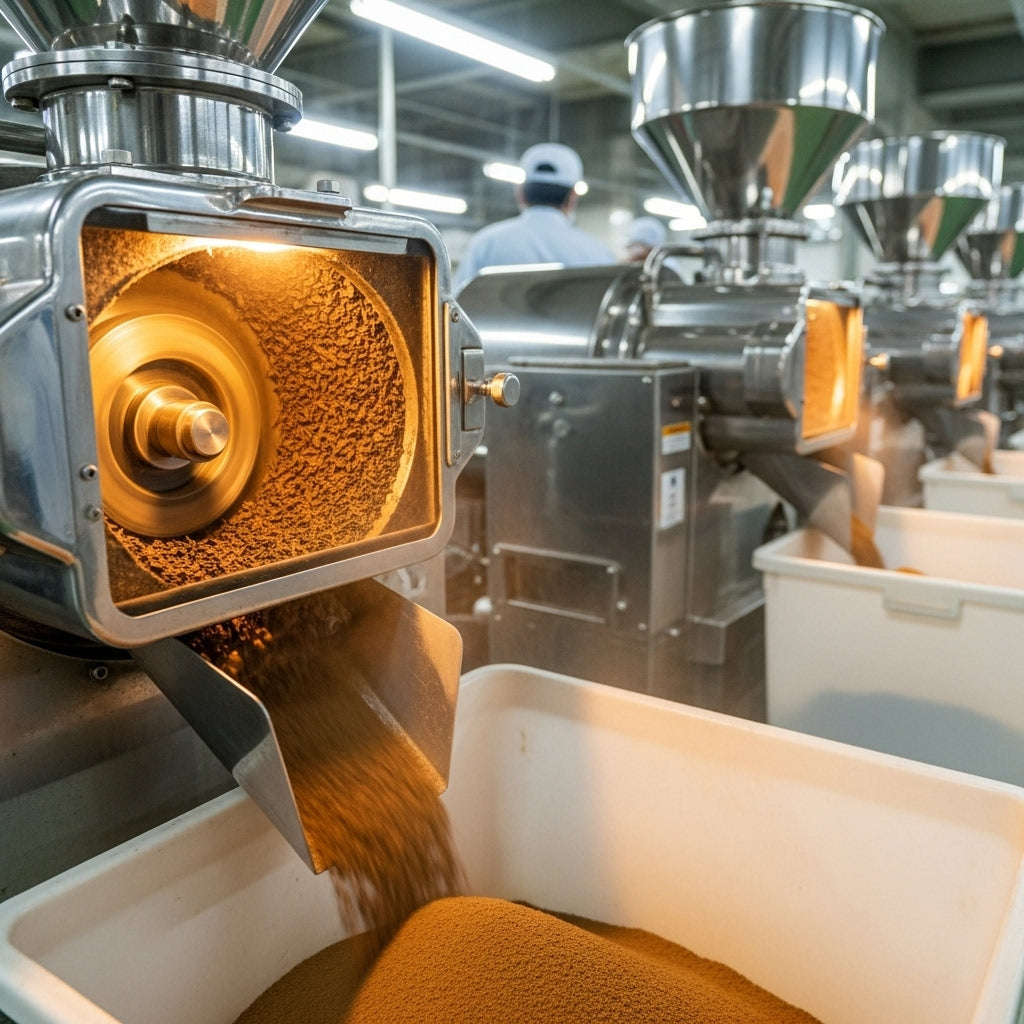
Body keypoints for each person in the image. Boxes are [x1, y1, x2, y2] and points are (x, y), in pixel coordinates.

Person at [454, 142, 614, 292]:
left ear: (520, 193)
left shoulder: (484, 244)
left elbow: (455, 306)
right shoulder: (599, 255)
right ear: (573, 197)